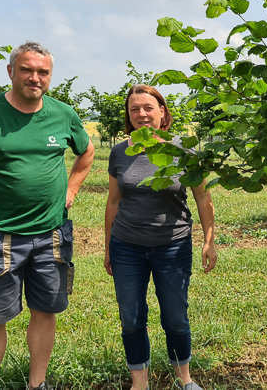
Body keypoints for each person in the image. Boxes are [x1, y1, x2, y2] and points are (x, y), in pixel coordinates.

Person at [0, 41, 95, 390]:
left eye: (43, 72)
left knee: (46, 311)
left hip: (52, 235)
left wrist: (70, 191)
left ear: (50, 76)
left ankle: (37, 384)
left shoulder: (62, 113)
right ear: (11, 72)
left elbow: (86, 153)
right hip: (0, 235)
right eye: (27, 70)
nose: (35, 77)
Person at [104, 84, 217, 390]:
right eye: (134, 109)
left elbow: (202, 197)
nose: (141, 114)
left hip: (173, 246)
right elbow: (113, 202)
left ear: (163, 112)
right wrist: (107, 248)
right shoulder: (119, 152)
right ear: (129, 115)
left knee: (176, 316)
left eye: (148, 108)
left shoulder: (183, 149)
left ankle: (185, 380)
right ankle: (140, 383)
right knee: (131, 316)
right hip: (127, 247)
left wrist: (209, 239)